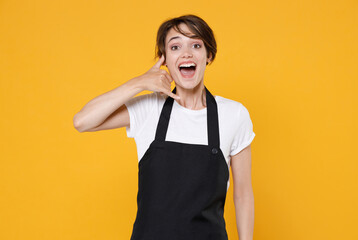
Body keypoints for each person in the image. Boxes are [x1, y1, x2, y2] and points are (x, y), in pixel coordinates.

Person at [73, 14, 255, 240]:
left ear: (208, 55)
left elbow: (243, 194)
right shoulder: (150, 109)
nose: (186, 53)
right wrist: (139, 82)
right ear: (165, 59)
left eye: (196, 45)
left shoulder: (234, 114)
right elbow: (82, 121)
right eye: (176, 46)